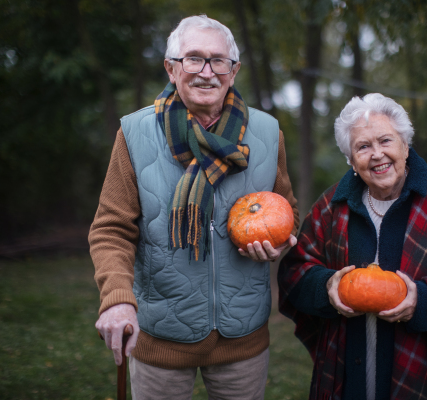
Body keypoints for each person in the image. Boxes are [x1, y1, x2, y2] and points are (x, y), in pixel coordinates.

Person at [89, 15, 299, 400]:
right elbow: (111, 229)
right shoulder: (134, 133)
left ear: (233, 72)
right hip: (160, 337)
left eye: (218, 61)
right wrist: (117, 299)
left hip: (243, 339)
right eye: (193, 59)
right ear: (171, 68)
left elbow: (286, 211)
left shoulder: (268, 133)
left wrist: (281, 241)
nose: (207, 72)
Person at [278, 93, 427, 400]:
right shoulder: (331, 207)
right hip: (345, 370)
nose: (377, 154)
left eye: (385, 140)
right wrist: (326, 286)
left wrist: (425, 299)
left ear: (405, 144)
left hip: (423, 373)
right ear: (351, 159)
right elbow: (294, 271)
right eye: (363, 146)